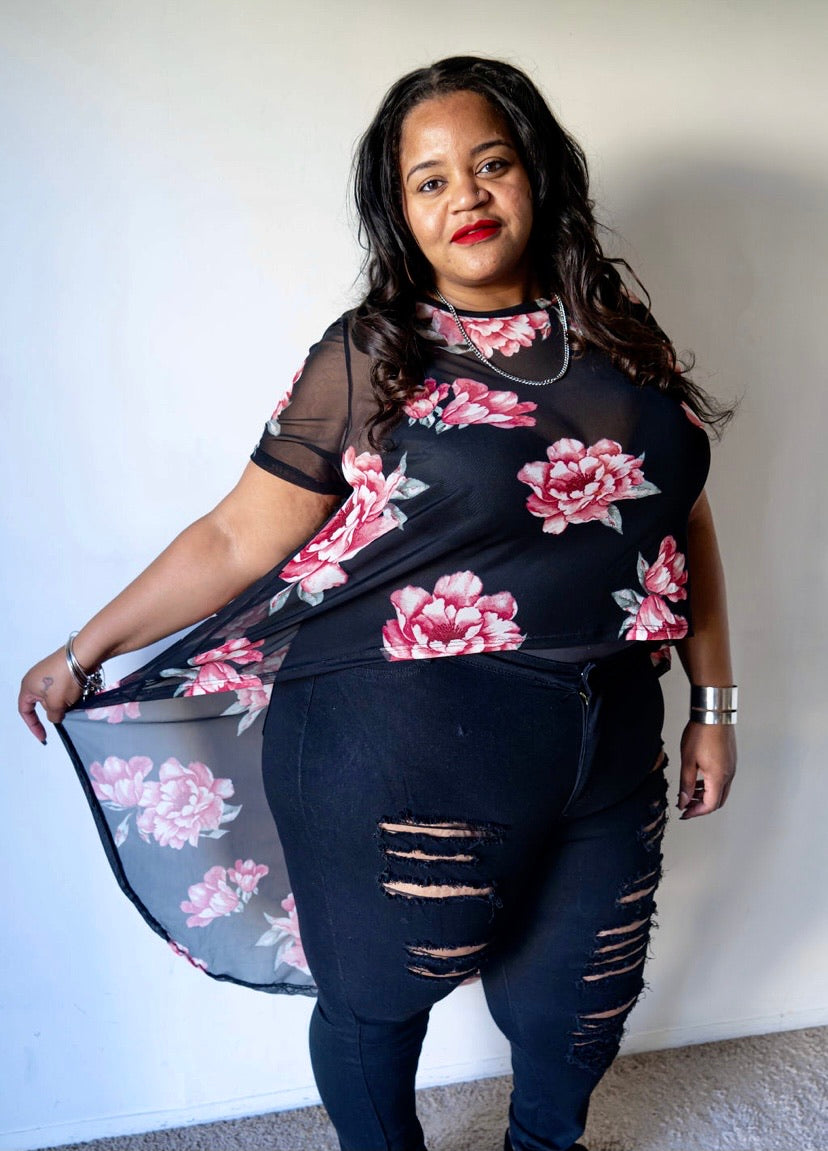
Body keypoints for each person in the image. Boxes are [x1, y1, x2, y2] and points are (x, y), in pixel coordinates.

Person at [19, 56, 736, 1151]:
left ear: (537, 174)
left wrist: (715, 705)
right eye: (430, 181)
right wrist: (83, 649)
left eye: (491, 164)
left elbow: (680, 517)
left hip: (612, 738)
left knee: (578, 1005)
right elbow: (236, 535)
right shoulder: (372, 356)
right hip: (402, 744)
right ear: (401, 212)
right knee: (378, 998)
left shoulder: (619, 332)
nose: (467, 198)